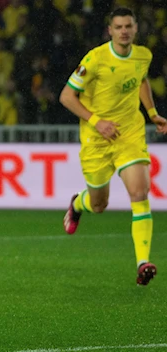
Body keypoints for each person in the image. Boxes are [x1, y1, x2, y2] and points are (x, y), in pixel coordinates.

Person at [60, 7, 167, 286]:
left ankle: (143, 262)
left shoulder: (143, 56)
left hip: (129, 134)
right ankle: (78, 203)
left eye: (128, 26)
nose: (124, 31)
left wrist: (152, 112)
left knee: (140, 191)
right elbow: (66, 96)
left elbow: (141, 80)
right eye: (118, 27)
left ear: (135, 29)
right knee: (99, 204)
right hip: (96, 139)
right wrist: (97, 121)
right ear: (110, 30)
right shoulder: (95, 59)